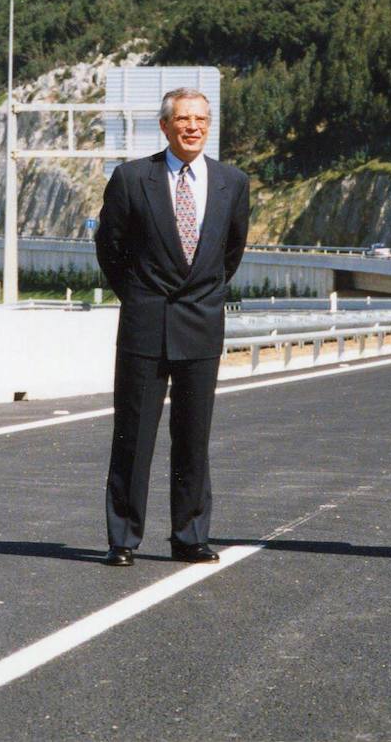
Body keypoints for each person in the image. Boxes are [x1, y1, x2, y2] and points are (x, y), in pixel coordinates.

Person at [95, 87, 251, 566]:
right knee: (133, 436)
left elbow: (231, 252)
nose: (192, 127)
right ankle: (123, 538)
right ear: (164, 126)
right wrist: (141, 296)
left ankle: (190, 535)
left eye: (201, 120)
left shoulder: (232, 182)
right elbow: (110, 248)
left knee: (193, 437)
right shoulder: (131, 178)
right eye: (183, 119)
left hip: (201, 324)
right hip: (146, 323)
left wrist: (203, 295)